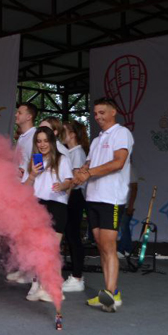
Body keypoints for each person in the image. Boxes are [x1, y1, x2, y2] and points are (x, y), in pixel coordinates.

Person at [72, 98, 134, 312]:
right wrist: (80, 172)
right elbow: (89, 163)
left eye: (101, 112)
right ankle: (110, 293)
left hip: (111, 198)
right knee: (100, 245)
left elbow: (118, 163)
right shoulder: (98, 139)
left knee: (108, 246)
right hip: (93, 197)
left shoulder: (121, 133)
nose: (97, 117)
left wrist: (88, 172)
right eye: (95, 113)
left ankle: (111, 293)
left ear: (113, 112)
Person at [23, 126, 73, 303]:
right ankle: (40, 286)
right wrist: (32, 175)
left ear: (52, 141)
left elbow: (69, 181)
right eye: (39, 141)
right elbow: (24, 189)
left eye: (45, 140)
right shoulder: (34, 161)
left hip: (57, 206)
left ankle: (52, 289)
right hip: (37, 206)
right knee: (39, 249)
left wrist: (62, 186)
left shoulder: (62, 160)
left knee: (51, 249)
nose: (42, 144)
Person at [6, 102, 37, 284]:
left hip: (30, 191)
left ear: (29, 116)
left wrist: (29, 174)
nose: (16, 115)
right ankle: (24, 268)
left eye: (20, 112)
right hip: (19, 190)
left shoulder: (35, 136)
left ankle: (32, 272)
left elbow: (39, 160)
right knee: (19, 234)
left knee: (29, 233)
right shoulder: (22, 138)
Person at [61, 120, 90, 292]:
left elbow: (74, 180)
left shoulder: (77, 153)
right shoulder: (69, 152)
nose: (61, 133)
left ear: (72, 135)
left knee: (73, 236)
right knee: (70, 236)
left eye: (64, 131)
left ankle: (77, 276)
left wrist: (65, 198)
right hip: (68, 197)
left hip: (74, 197)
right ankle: (74, 275)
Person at [117, 160, 138, 258]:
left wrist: (131, 205)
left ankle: (122, 249)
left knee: (124, 227)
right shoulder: (117, 169)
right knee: (124, 228)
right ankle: (127, 249)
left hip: (125, 204)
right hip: (117, 203)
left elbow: (134, 188)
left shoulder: (130, 169)